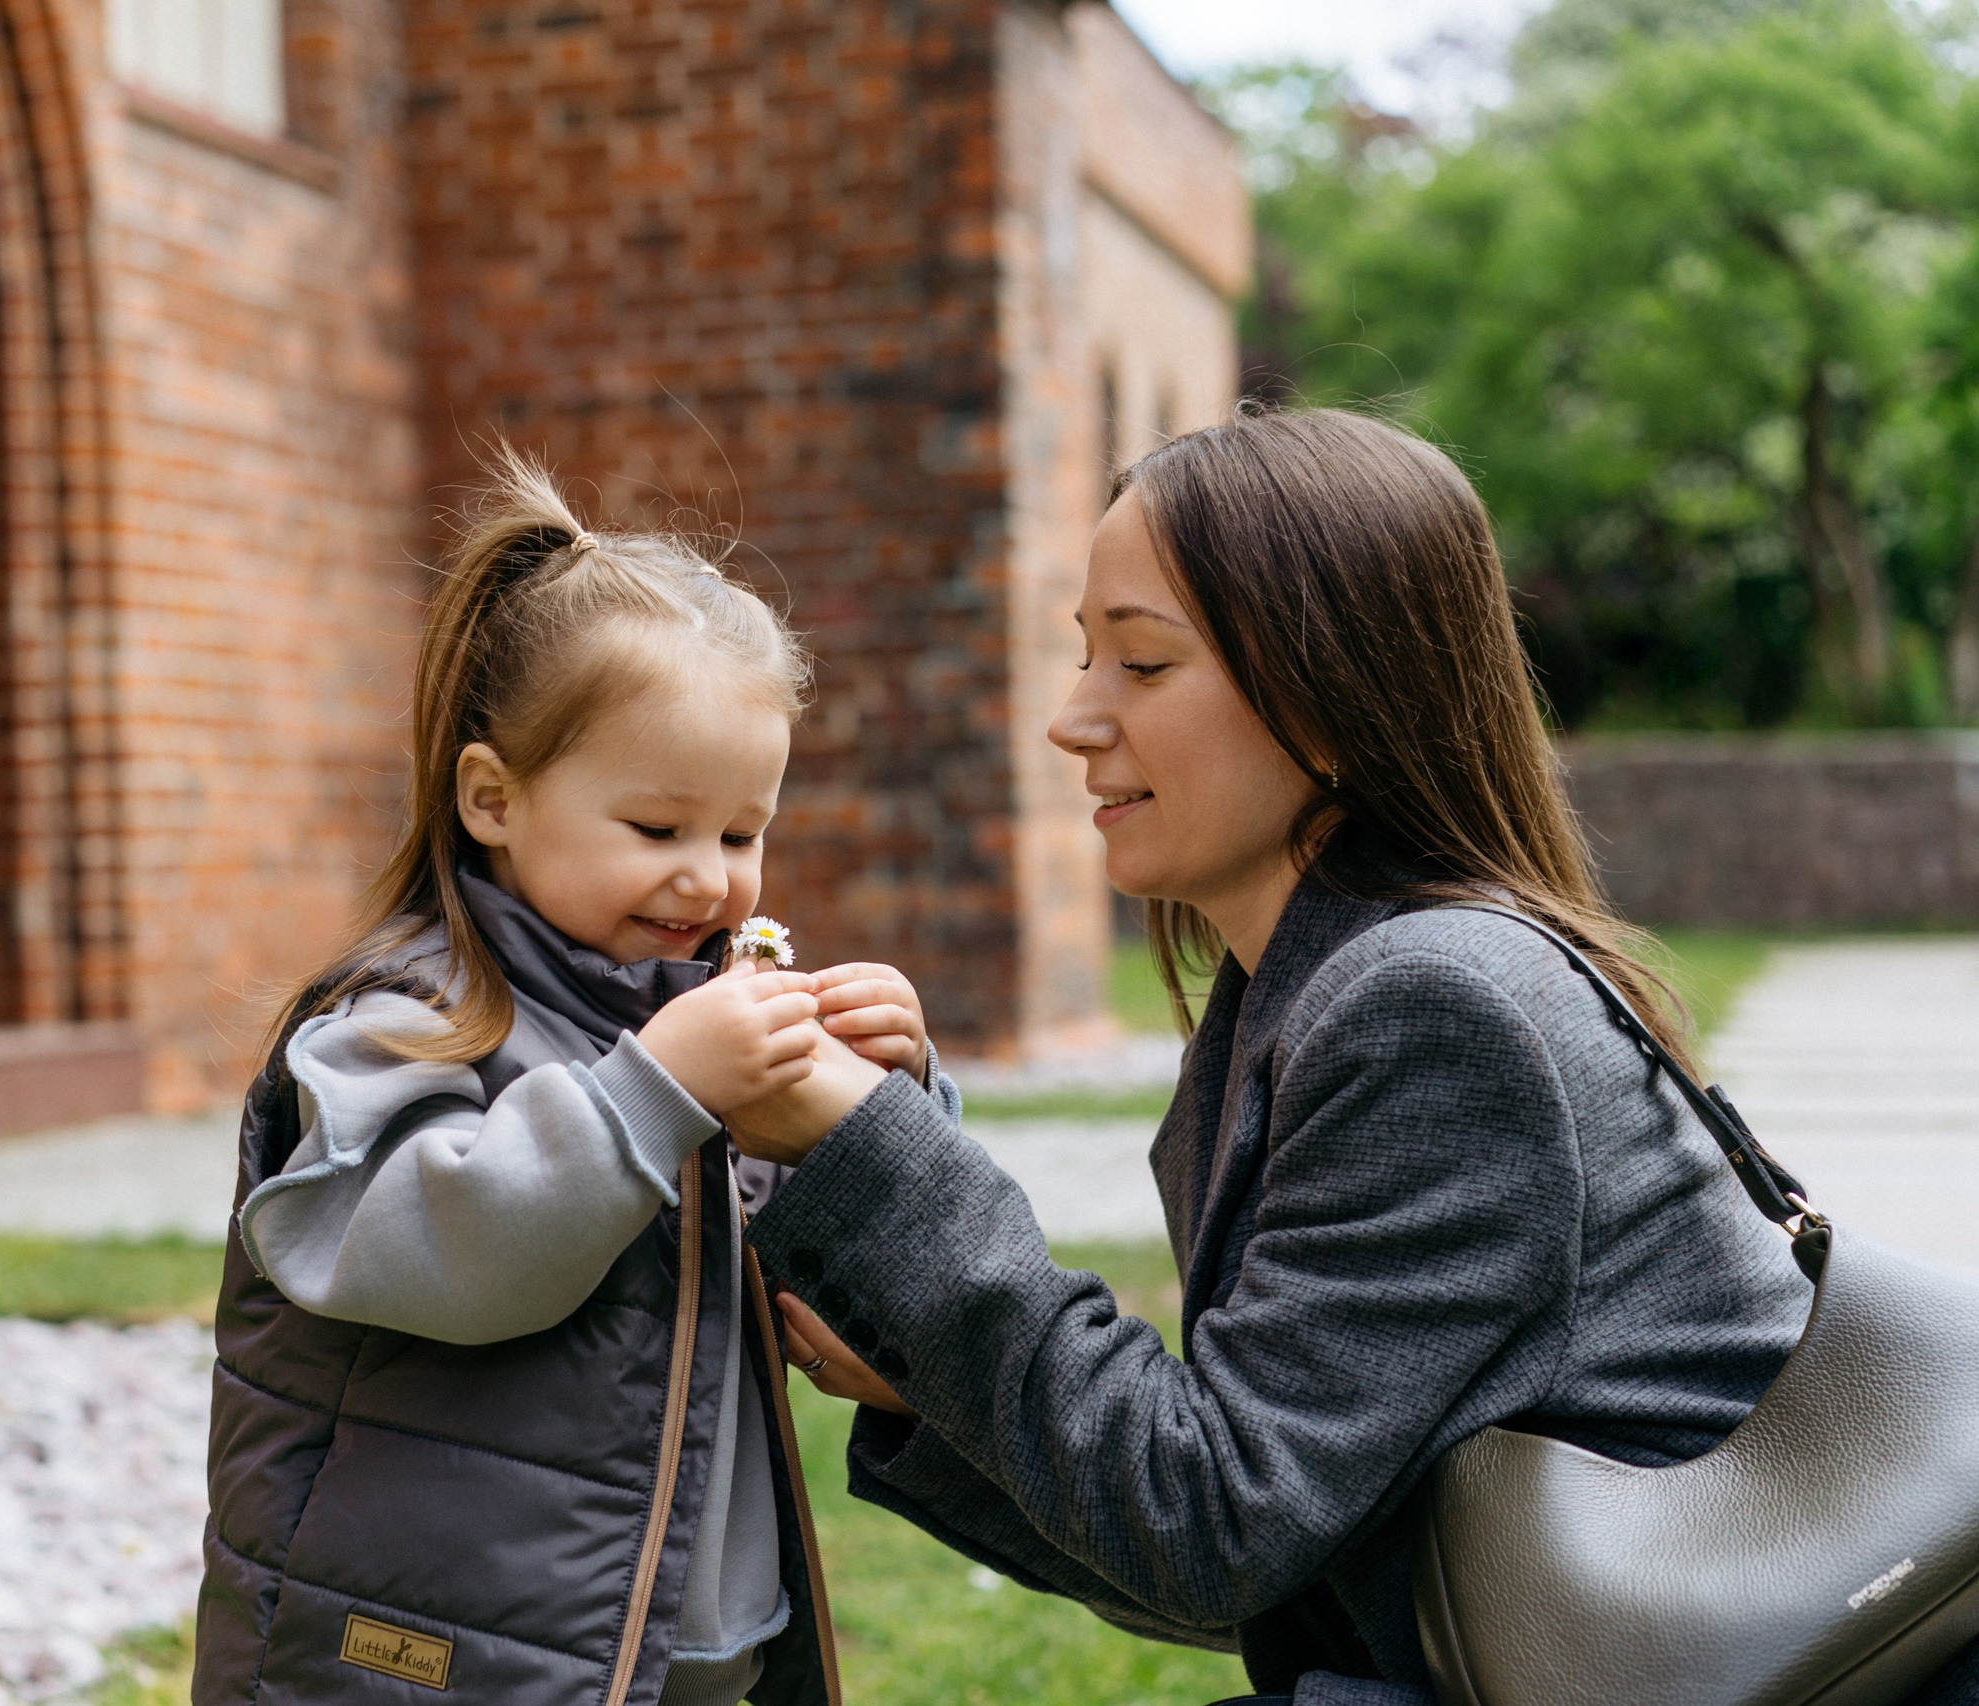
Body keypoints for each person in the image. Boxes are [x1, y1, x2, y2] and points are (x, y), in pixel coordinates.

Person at [716, 407, 1959, 1705]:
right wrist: (934, 1394)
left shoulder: (1435, 1009)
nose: (1073, 719)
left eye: (1141, 663)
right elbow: (1272, 1555)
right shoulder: (1301, 996)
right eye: (1086, 657)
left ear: (1327, 698)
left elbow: (1213, 1520)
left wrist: (879, 1152)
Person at [190, 454, 939, 1706]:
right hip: (430, 1663)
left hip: (676, 1647)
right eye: (657, 828)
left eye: (742, 832)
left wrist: (885, 1099)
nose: (708, 876)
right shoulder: (406, 1023)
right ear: (493, 798)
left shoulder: (692, 1022)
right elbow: (452, 1252)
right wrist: (656, 1089)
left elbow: (833, 1275)